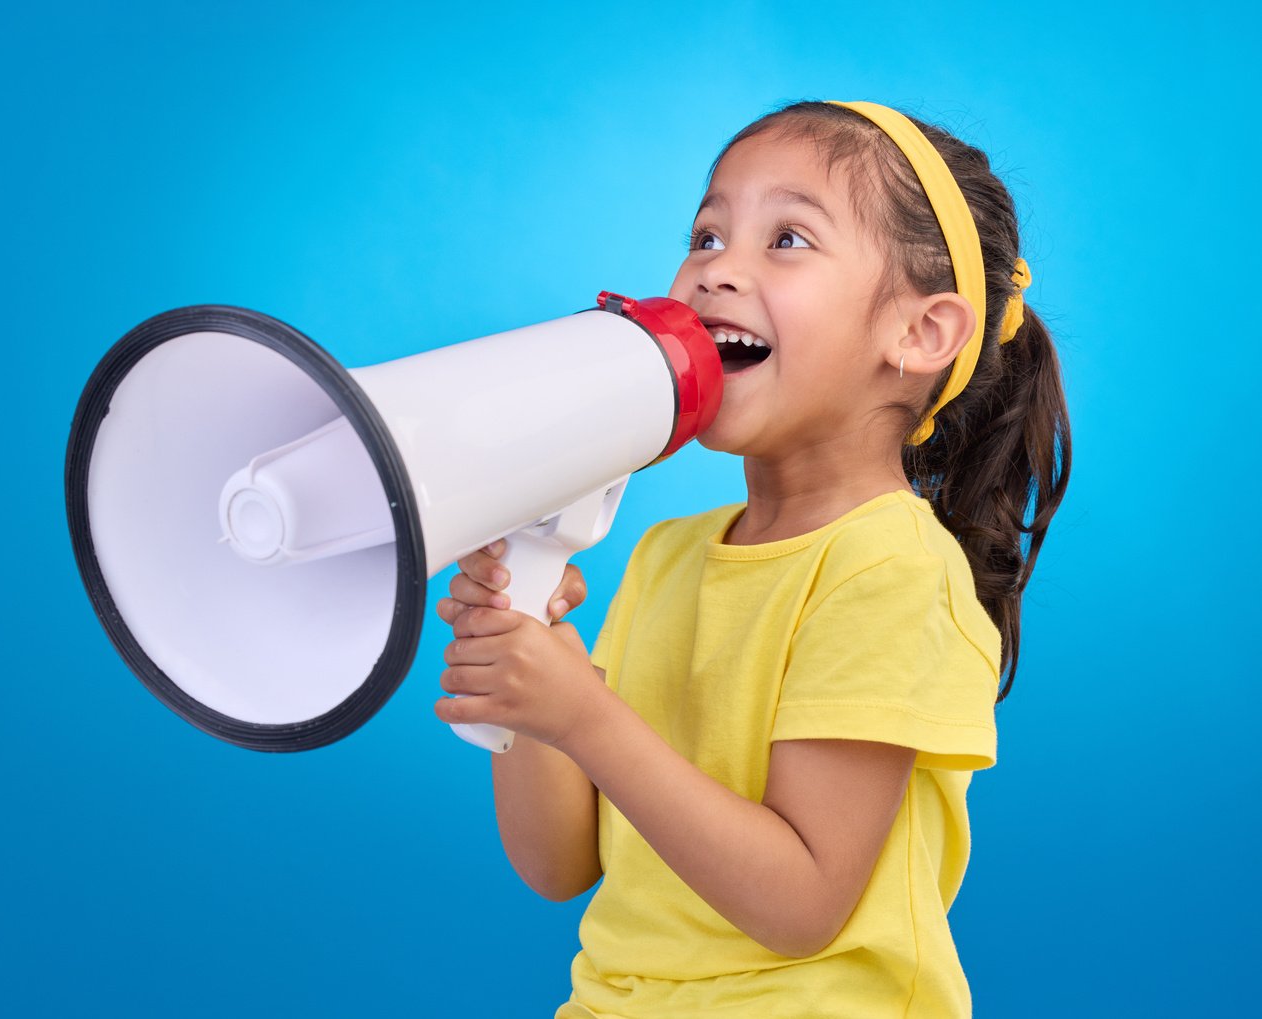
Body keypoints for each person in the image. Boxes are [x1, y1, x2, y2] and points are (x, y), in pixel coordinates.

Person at [434, 100, 1071, 1018]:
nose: (716, 270)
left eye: (789, 240)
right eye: (706, 233)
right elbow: (558, 863)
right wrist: (534, 686)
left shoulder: (889, 570)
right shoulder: (667, 554)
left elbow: (802, 903)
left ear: (921, 334)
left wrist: (585, 716)